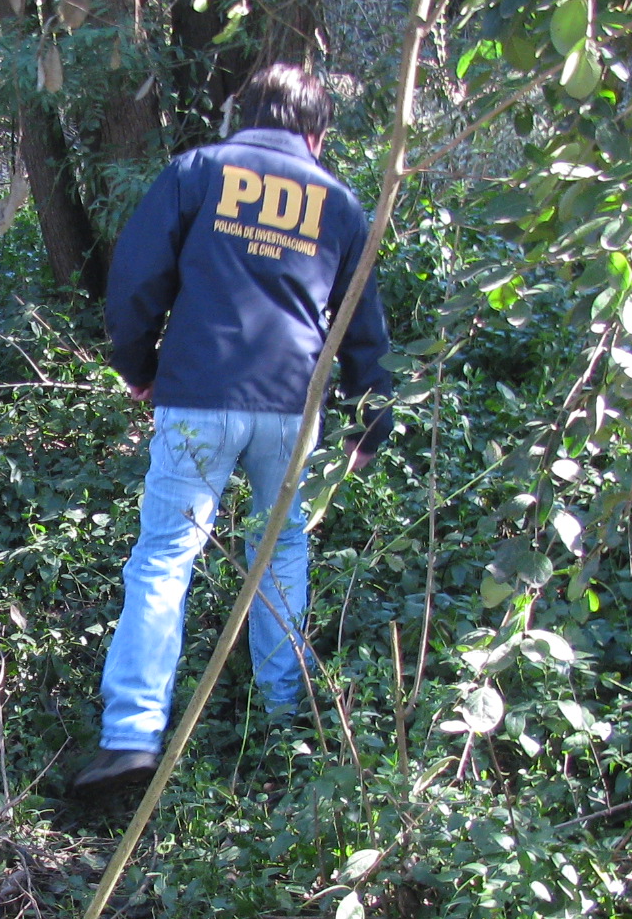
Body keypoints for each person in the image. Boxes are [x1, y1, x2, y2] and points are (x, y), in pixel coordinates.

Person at [69, 64, 392, 806]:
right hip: (293, 407)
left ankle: (133, 734)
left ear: (240, 115)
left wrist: (138, 365)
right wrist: (372, 415)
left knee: (165, 556)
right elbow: (362, 320)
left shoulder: (197, 171)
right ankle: (285, 727)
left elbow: (136, 278)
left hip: (200, 395)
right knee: (280, 550)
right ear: (317, 133)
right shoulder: (339, 203)